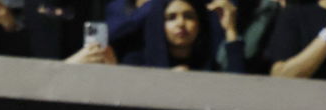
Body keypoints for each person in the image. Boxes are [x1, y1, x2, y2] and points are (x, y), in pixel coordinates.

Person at [102, 0, 246, 72]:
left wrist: (231, 30)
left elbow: (239, 88)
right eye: (171, 18)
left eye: (189, 16)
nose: (181, 23)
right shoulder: (135, 60)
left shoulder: (212, 60)